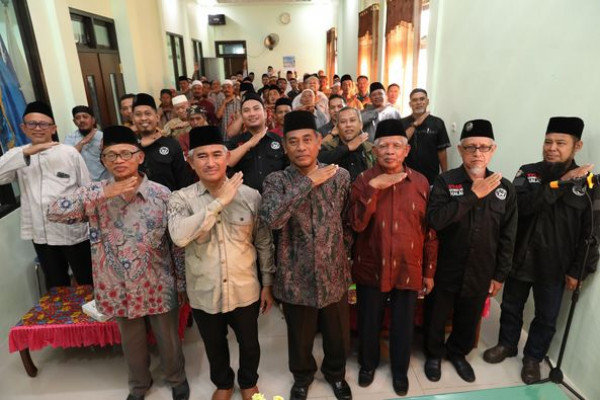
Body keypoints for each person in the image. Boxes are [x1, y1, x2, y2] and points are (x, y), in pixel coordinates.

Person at [47, 126, 189, 400]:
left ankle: (176, 378)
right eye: (111, 155)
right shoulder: (95, 192)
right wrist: (105, 193)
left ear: (140, 157)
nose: (119, 160)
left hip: (158, 283)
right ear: (103, 161)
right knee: (131, 343)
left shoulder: (162, 194)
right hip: (117, 285)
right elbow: (54, 212)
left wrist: (181, 282)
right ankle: (139, 385)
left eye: (126, 153)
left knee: (169, 339)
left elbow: (176, 243)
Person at [483, 117, 599, 384]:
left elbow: (592, 232)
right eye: (548, 142)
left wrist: (579, 270)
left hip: (556, 265)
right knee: (511, 306)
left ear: (577, 146)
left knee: (546, 317)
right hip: (521, 257)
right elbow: (520, 208)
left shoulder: (589, 183)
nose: (552, 148)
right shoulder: (528, 173)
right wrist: (560, 184)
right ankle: (507, 344)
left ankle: (533, 358)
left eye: (560, 143)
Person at [168, 125, 275, 400]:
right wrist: (219, 203)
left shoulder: (250, 196)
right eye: (202, 156)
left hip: (244, 288)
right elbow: (179, 236)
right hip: (204, 290)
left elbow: (263, 241)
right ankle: (224, 384)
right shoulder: (181, 198)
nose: (211, 162)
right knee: (214, 345)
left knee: (249, 343)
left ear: (227, 157)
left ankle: (248, 381)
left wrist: (267, 283)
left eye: (217, 154)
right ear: (190, 161)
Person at [260, 111, 353, 400]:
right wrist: (307, 182)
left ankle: (336, 375)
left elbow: (347, 223)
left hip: (333, 273)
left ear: (318, 142)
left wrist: (343, 258)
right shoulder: (276, 181)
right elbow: (273, 219)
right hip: (295, 277)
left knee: (338, 335)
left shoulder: (339, 177)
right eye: (293, 141)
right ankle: (302, 377)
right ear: (285, 147)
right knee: (300, 337)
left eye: (306, 140)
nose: (301, 147)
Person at [424, 119, 518, 383]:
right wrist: (472, 196)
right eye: (470, 147)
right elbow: (435, 220)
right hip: (446, 265)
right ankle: (433, 354)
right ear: (460, 149)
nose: (477, 153)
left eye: (484, 147)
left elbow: (508, 235)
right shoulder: (445, 181)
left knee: (469, 316)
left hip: (482, 268)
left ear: (493, 150)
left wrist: (500, 275)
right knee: (436, 314)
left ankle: (458, 353)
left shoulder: (505, 188)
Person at [349, 119, 437, 396]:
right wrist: (374, 187)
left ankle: (400, 371)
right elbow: (356, 224)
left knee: (403, 324)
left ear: (406, 150)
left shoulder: (421, 182)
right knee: (368, 321)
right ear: (374, 150)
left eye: (396, 146)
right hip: (371, 265)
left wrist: (429, 271)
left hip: (408, 266)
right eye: (383, 146)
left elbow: (429, 230)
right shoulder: (362, 180)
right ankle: (368, 365)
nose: (390, 151)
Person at [0, 101, 92, 290]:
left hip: (73, 233)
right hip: (41, 234)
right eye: (32, 124)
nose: (38, 128)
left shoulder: (69, 153)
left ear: (53, 128)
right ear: (23, 127)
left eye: (43, 124)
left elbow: (87, 189)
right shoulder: (18, 154)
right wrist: (28, 152)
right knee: (56, 285)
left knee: (87, 281)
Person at [132, 93, 193, 191]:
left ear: (157, 117)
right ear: (133, 119)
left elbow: (184, 183)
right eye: (138, 114)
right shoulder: (130, 149)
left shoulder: (172, 145)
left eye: (148, 113)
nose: (143, 118)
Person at [226, 93, 286, 192]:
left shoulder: (278, 140)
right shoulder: (235, 142)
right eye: (246, 110)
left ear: (265, 114)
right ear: (242, 117)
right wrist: (249, 144)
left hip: (277, 197)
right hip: (245, 199)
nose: (252, 113)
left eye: (256, 108)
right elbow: (225, 163)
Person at [401, 89, 451, 185]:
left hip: (431, 178)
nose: (418, 102)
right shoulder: (401, 123)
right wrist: (415, 124)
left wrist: (445, 175)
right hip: (406, 176)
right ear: (410, 104)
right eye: (415, 100)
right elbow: (400, 143)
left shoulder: (437, 123)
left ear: (427, 101)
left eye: (422, 99)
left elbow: (441, 150)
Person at [319, 106, 374, 182]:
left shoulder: (371, 150)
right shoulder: (328, 147)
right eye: (343, 121)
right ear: (337, 127)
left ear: (361, 125)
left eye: (352, 120)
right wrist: (347, 147)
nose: (348, 125)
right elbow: (317, 161)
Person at [64, 105, 108, 181]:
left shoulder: (103, 136)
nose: (81, 120)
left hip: (104, 180)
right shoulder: (70, 138)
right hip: (81, 183)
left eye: (85, 117)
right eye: (78, 118)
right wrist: (83, 142)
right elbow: (67, 158)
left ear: (93, 120)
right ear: (74, 122)